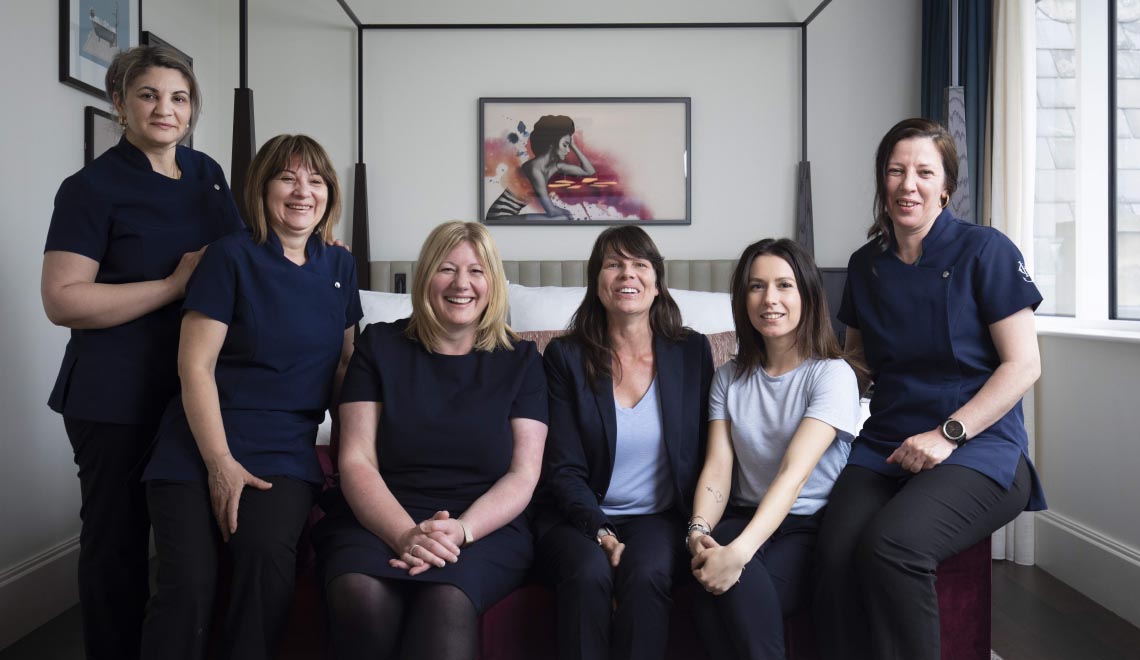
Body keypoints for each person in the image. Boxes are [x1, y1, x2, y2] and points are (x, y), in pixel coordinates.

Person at [812, 117, 1047, 660]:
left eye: (923, 171)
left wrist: (949, 433)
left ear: (946, 186)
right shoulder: (865, 265)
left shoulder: (985, 250)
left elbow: (1023, 365)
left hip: (980, 447)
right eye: (895, 171)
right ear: (882, 181)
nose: (907, 184)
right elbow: (858, 361)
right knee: (833, 553)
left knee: (892, 546)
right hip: (885, 445)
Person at [40, 44, 243, 660]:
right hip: (115, 394)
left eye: (179, 98)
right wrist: (171, 287)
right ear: (120, 104)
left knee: (193, 546)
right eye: (149, 95)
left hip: (194, 391)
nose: (165, 108)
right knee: (119, 545)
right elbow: (63, 300)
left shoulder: (207, 173)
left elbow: (238, 261)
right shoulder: (90, 187)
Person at [139, 134, 361, 660]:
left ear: (330, 192)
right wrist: (220, 463)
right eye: (287, 177)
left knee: (265, 561)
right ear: (261, 189)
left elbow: (346, 366)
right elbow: (195, 364)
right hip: (200, 438)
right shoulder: (229, 257)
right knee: (189, 585)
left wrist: (359, 463)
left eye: (315, 180)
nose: (302, 191)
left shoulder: (340, 267)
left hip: (285, 447)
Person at [314, 221, 549, 660]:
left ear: (493, 283)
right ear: (425, 277)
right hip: (379, 514)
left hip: (483, 525)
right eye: (447, 268)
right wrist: (404, 533)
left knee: (444, 599)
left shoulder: (521, 361)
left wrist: (460, 531)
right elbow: (357, 460)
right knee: (359, 594)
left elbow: (524, 472)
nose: (462, 284)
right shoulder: (378, 345)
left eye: (476, 271)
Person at [532, 225, 714, 660]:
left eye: (639, 265)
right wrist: (599, 528)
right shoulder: (565, 357)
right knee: (586, 573)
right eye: (613, 264)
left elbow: (711, 448)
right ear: (597, 282)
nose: (626, 274)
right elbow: (563, 465)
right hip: (576, 515)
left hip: (658, 517)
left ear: (656, 283)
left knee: (647, 571)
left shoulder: (692, 352)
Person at [686, 238, 860, 660]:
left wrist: (738, 555)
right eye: (756, 286)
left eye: (784, 286)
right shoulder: (729, 377)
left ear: (807, 295)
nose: (770, 299)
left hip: (807, 526)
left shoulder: (832, 375)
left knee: (717, 595)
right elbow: (718, 467)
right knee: (716, 557)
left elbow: (793, 474)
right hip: (740, 518)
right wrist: (697, 532)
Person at [485, 114, 596, 221]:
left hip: (511, 215)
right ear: (552, 144)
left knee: (563, 218)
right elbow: (551, 211)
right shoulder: (534, 168)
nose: (568, 150)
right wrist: (568, 213)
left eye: (569, 146)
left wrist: (573, 146)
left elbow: (589, 171)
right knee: (563, 218)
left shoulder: (555, 166)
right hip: (499, 216)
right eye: (565, 145)